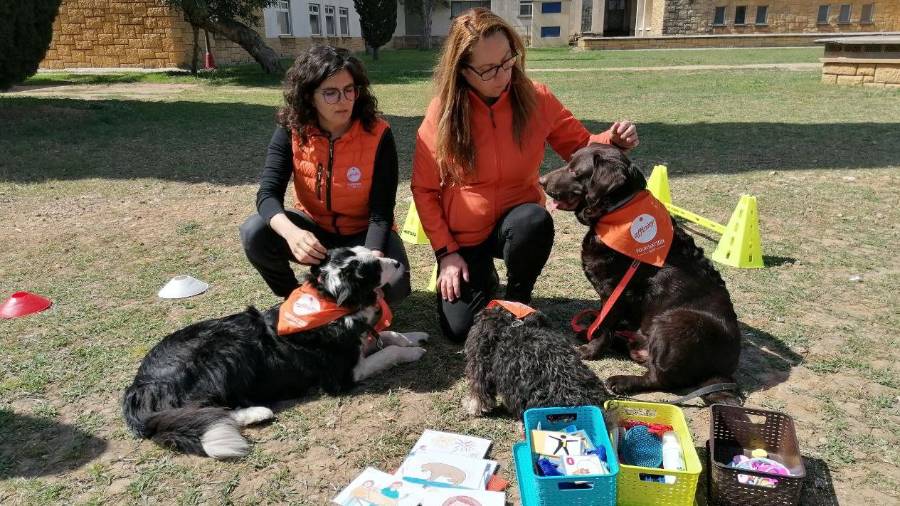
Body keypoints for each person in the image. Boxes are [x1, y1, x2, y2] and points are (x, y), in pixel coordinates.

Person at [411, 8, 639, 342]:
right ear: (461, 70)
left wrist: (613, 141)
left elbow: (581, 145)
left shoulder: (537, 98)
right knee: (459, 330)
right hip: (464, 236)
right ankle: (482, 277)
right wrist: (446, 253)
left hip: (518, 223)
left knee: (534, 220)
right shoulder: (442, 113)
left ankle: (518, 298)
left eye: (508, 60)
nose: (503, 74)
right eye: (489, 69)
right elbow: (425, 189)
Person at [240, 45, 411, 304]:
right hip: (314, 231)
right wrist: (292, 233)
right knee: (254, 232)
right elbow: (267, 194)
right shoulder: (292, 129)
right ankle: (297, 298)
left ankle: (348, 295)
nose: (343, 100)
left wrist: (372, 259)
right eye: (330, 93)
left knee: (396, 288)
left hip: (363, 234)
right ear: (309, 96)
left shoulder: (379, 133)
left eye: (349, 90)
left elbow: (381, 211)